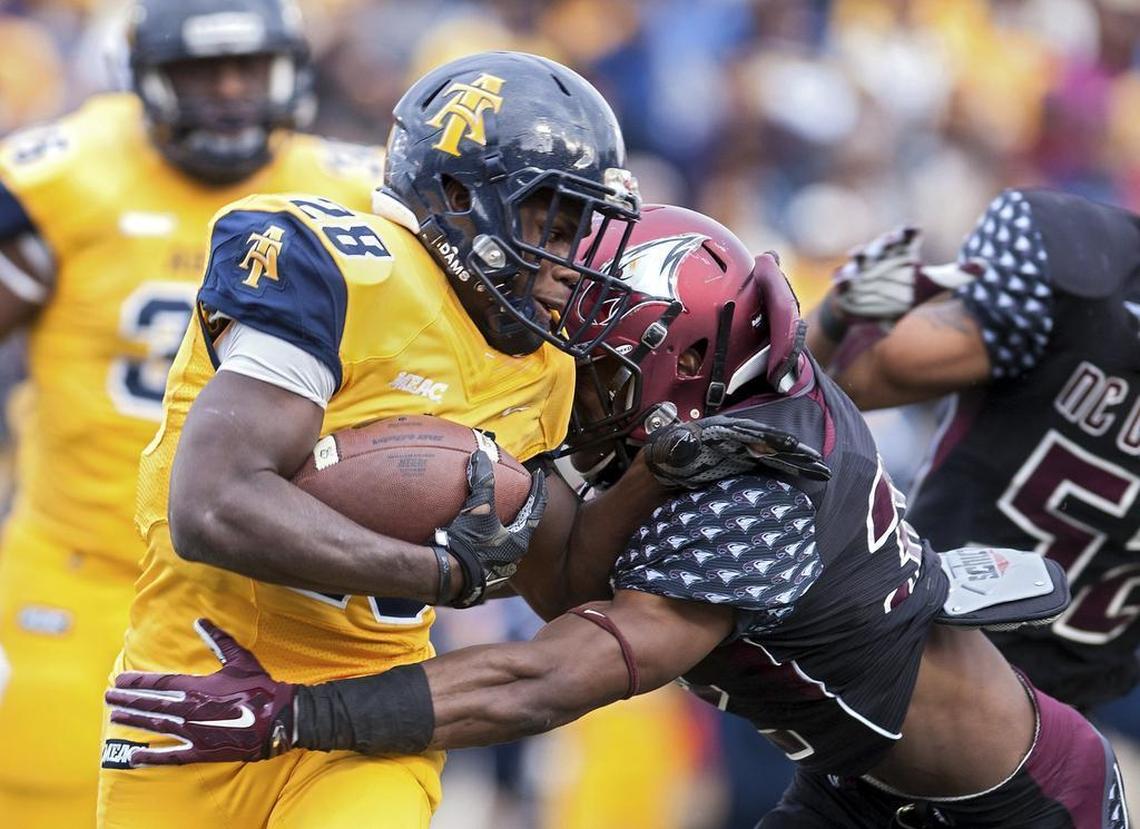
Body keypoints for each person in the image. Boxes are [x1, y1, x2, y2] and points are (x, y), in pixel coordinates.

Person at [105, 206, 1129, 828]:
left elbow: (546, 676)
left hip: (1014, 810)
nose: (576, 373)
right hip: (857, 784)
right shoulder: (726, 403)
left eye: (606, 361)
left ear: (682, 369)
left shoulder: (762, 495)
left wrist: (295, 714)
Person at [96, 49, 660, 829]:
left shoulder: (547, 366)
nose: (570, 263)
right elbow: (212, 505)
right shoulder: (333, 269)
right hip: (193, 698)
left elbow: (560, 582)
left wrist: (655, 475)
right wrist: (436, 573)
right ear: (460, 196)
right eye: (552, 222)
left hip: (368, 724)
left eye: (581, 230)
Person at [0, 0, 384, 824]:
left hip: (270, 594)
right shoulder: (63, 178)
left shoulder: (359, 198)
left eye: (249, 69)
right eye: (201, 72)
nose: (231, 92)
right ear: (145, 77)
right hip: (79, 571)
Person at [802, 188, 1140, 711]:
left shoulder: (1086, 269)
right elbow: (850, 383)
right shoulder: (1085, 272)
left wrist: (835, 320)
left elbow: (834, 384)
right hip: (928, 653)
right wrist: (836, 320)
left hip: (1057, 698)